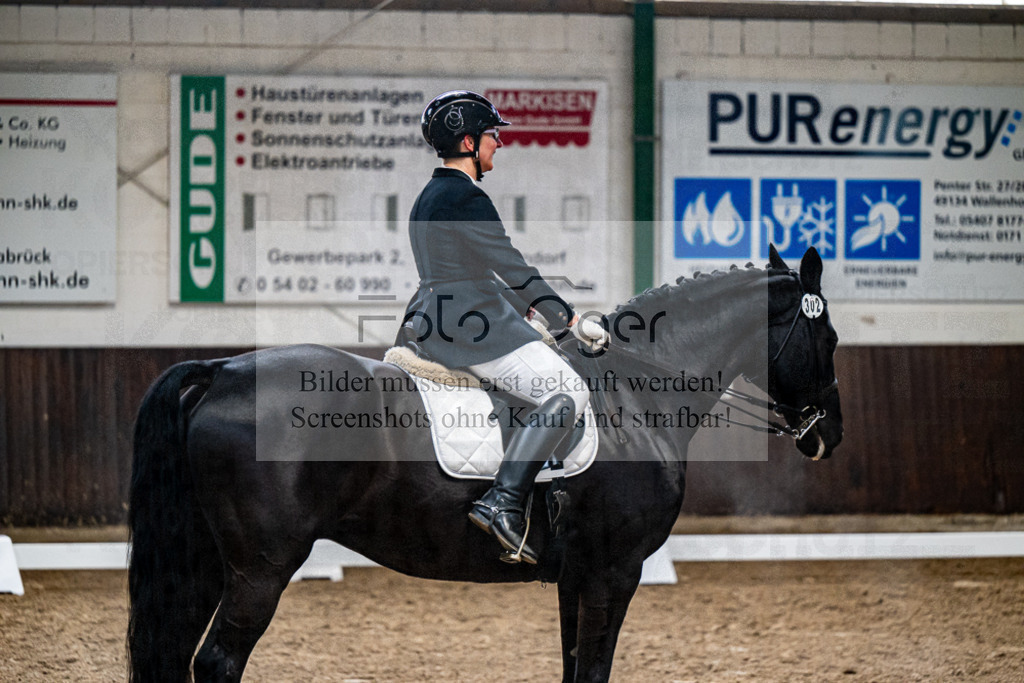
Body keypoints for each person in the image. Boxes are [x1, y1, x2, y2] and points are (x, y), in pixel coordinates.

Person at [398, 91, 608, 564]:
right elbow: (511, 267)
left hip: (436, 315)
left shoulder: (429, 195)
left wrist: (526, 313)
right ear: (469, 141)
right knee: (569, 392)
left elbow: (475, 269)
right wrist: (568, 319)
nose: (497, 144)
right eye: (493, 136)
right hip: (472, 326)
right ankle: (504, 501)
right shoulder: (466, 196)